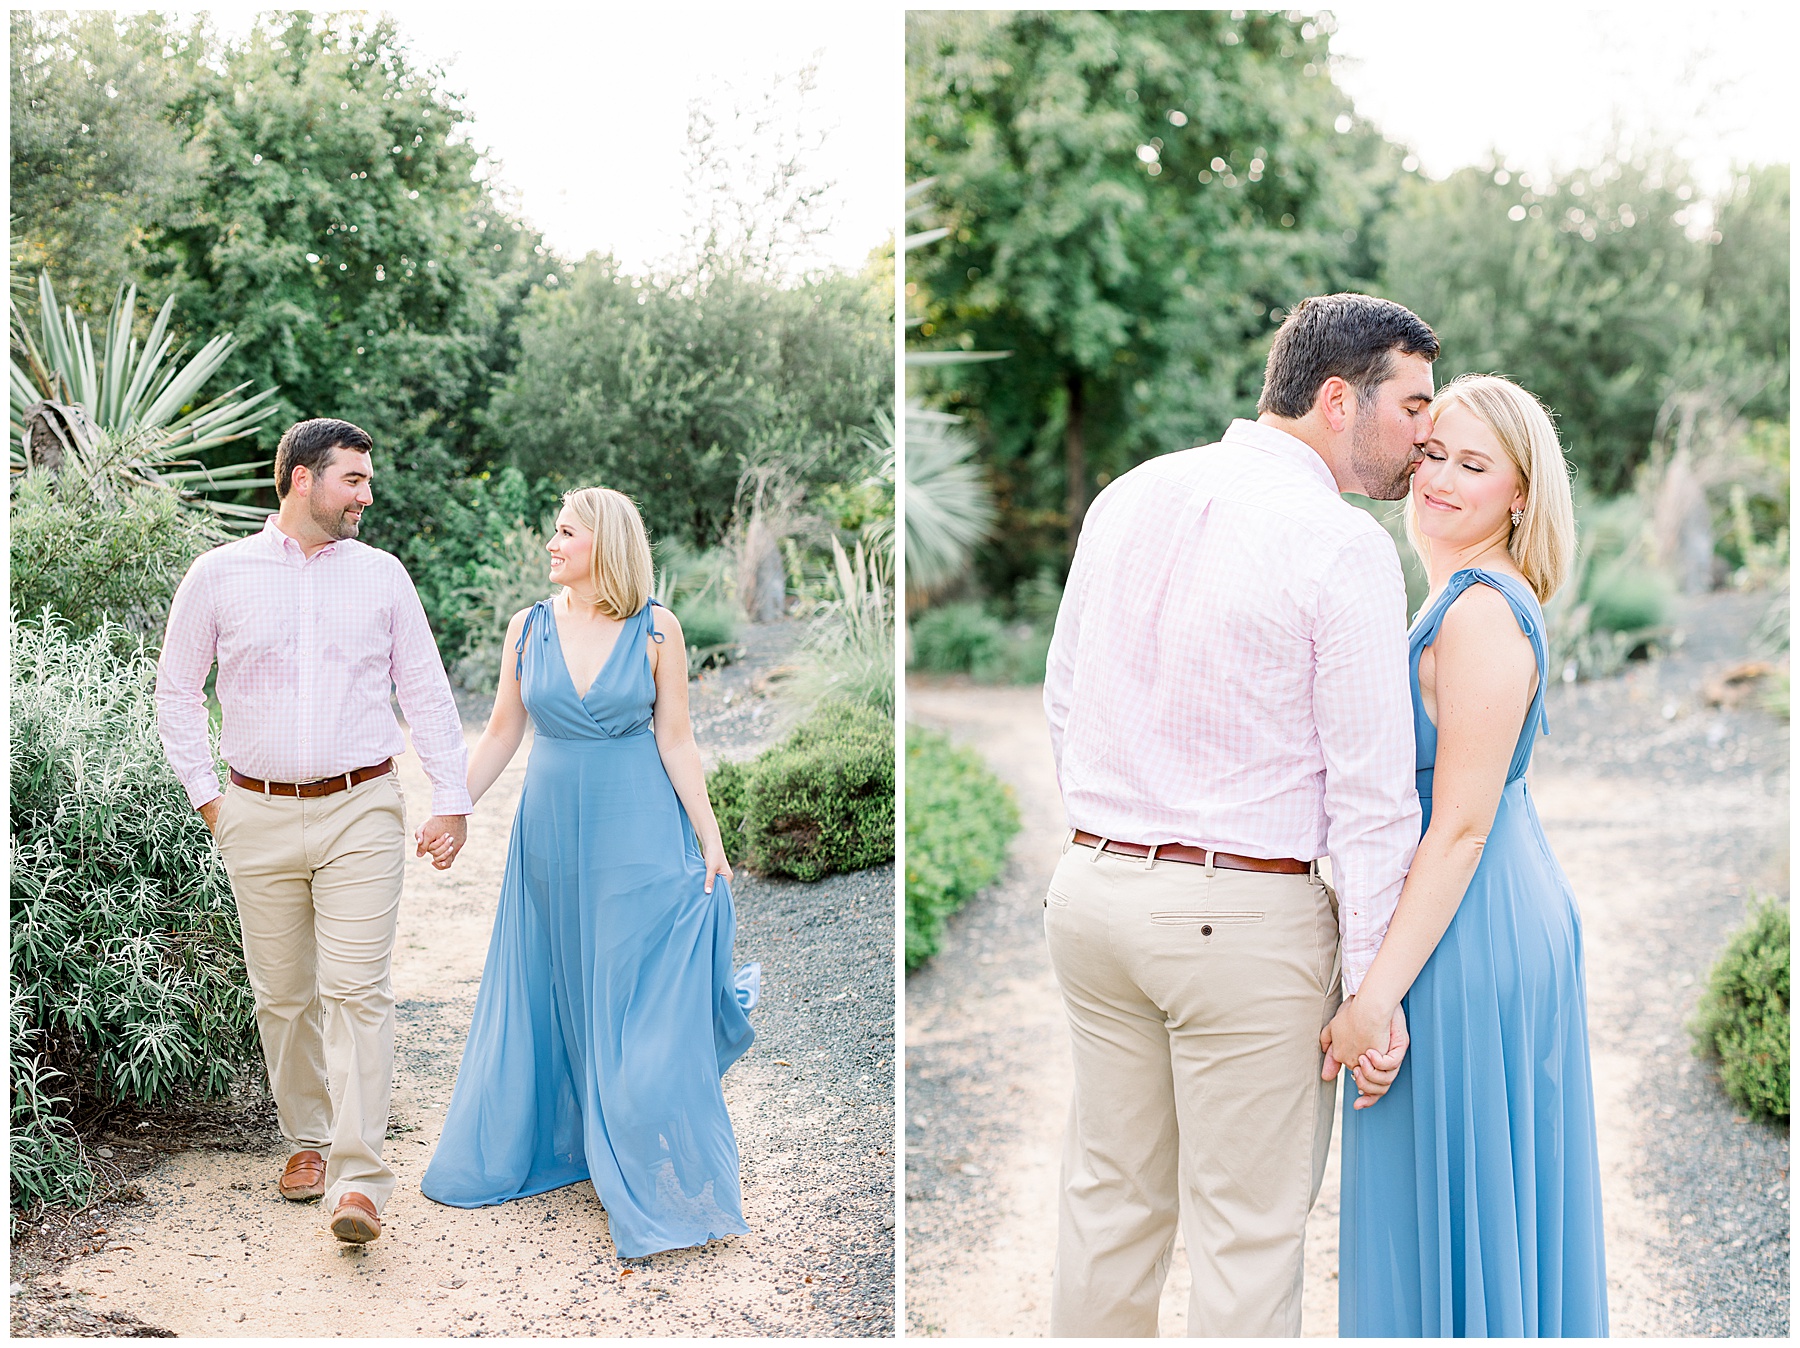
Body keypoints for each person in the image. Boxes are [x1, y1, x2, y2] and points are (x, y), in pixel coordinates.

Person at [1040, 292, 1435, 1337]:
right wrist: (1369, 988)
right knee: (1248, 1237)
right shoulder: (1341, 545)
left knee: (1109, 1207)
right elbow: (1371, 798)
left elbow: (1064, 696)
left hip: (1092, 897)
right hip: (1241, 924)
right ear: (1339, 399)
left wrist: (1107, 840)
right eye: (1414, 406)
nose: (1426, 435)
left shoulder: (1130, 493)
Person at [1326, 374, 1608, 1336]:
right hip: (1457, 916)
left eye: (1473, 464)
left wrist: (1372, 997)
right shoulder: (1452, 597)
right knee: (1443, 1209)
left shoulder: (1483, 609)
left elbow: (1460, 827)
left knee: (1453, 1206)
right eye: (1434, 452)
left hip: (1470, 930)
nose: (1439, 477)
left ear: (1520, 494)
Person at [155, 417, 472, 1246]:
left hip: (361, 806)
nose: (367, 495)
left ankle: (360, 1178)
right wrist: (210, 802)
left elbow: (428, 694)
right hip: (252, 810)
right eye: (354, 480)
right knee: (283, 995)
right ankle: (306, 1138)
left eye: (367, 481)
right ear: (301, 478)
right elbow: (177, 690)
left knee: (356, 991)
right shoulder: (219, 574)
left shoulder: (383, 577)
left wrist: (453, 797)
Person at [421, 486, 758, 1260]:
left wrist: (708, 836)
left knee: (631, 991)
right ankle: (575, 1142)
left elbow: (677, 741)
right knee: (562, 981)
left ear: (603, 543)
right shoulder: (527, 628)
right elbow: (504, 732)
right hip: (551, 835)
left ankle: (636, 1153)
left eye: (565, 531)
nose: (551, 542)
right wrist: (452, 808)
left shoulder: (657, 629)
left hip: (637, 828)